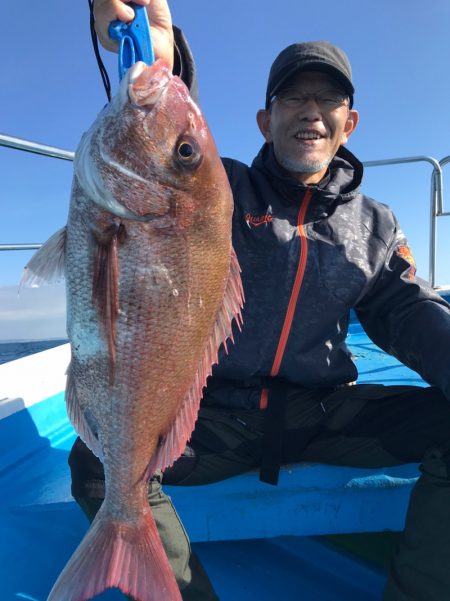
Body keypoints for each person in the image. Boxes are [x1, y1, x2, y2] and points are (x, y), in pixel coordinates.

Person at [69, 1, 450, 600]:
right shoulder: (223, 191)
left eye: (328, 101)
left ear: (350, 123)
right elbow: (174, 157)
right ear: (263, 120)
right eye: (293, 99)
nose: (311, 114)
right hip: (217, 418)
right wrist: (163, 56)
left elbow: (408, 311)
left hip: (324, 413)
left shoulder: (376, 226)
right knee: (98, 461)